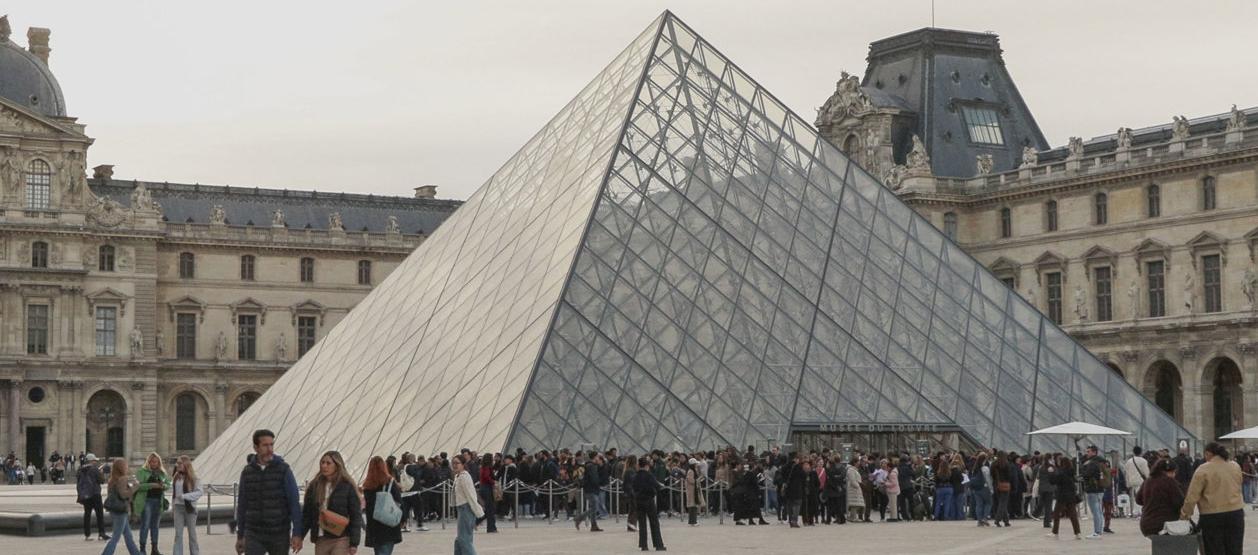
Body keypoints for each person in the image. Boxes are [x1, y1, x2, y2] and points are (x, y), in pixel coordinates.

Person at [236, 429, 304, 555]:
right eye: (265, 445)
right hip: (253, 533)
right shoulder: (247, 472)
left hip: (279, 533)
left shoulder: (284, 470)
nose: (270, 449)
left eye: (271, 444)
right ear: (256, 447)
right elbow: (242, 505)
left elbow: (294, 502)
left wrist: (297, 533)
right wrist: (240, 535)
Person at [1181, 442, 1244, 555]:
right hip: (1236, 513)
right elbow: (1239, 484)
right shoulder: (1235, 466)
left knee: (1214, 550)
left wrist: (1185, 516)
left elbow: (1192, 496)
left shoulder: (1203, 469)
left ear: (1208, 453)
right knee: (1235, 549)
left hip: (1212, 516)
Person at [301, 451, 362, 555]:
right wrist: (300, 536)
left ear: (337, 466)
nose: (324, 466)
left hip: (341, 538)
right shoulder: (314, 486)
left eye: (328, 463)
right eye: (322, 462)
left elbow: (355, 515)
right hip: (321, 538)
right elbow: (307, 514)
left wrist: (354, 543)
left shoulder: (347, 486)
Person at [362, 456, 403, 555]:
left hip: (374, 525)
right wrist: (402, 519)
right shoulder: (390, 482)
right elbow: (398, 501)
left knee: (379, 551)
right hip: (388, 523)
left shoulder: (367, 485)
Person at [101, 458, 142, 555]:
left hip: (115, 509)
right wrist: (135, 487)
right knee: (116, 537)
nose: (127, 467)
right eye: (125, 465)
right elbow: (124, 495)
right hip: (121, 510)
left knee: (128, 537)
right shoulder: (123, 479)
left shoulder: (112, 480)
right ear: (122, 467)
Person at [134, 452, 171, 555]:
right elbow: (138, 487)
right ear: (148, 462)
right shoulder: (141, 472)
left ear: (159, 462)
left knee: (155, 526)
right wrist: (152, 485)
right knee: (145, 525)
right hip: (146, 501)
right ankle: (142, 550)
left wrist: (163, 486)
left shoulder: (162, 473)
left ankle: (154, 549)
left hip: (158, 501)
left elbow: (168, 484)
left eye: (156, 462)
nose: (154, 463)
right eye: (152, 462)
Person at [1136, 458, 1183, 537]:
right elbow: (1179, 503)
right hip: (1165, 525)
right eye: (1172, 472)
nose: (1174, 475)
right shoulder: (1170, 482)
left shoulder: (1147, 481)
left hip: (1146, 524)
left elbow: (1138, 500)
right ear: (1165, 472)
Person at [631, 458, 666, 552]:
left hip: (639, 500)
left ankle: (643, 545)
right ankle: (658, 544)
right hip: (649, 500)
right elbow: (656, 486)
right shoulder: (649, 475)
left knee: (642, 523)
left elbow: (633, 487)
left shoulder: (635, 476)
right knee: (654, 522)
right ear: (646, 466)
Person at [171, 456, 203, 555]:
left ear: (186, 464)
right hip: (178, 507)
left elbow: (199, 492)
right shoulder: (176, 477)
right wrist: (173, 506)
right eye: (177, 463)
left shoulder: (194, 478)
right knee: (178, 534)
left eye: (180, 463)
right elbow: (174, 494)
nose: (177, 465)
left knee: (192, 534)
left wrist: (185, 496)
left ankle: (195, 553)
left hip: (190, 508)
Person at [451, 456, 483, 555]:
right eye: (453, 463)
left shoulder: (464, 477)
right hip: (462, 509)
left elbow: (471, 496)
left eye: (457, 463)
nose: (454, 465)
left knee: (464, 540)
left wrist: (479, 513)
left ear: (463, 465)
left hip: (466, 508)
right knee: (460, 540)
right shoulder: (458, 476)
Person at [77, 453, 109, 541]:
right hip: (95, 493)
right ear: (91, 461)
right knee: (99, 514)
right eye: (94, 460)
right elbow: (101, 481)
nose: (95, 462)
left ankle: (87, 534)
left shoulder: (80, 469)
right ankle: (101, 533)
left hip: (86, 494)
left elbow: (79, 483)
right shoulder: (95, 469)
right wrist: (101, 473)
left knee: (87, 514)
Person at [1048, 456, 1082, 540]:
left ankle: (1055, 532)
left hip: (1062, 496)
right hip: (1071, 496)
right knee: (1073, 515)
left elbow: (1053, 481)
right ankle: (1077, 533)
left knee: (1056, 514)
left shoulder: (1061, 472)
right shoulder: (1071, 472)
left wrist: (1051, 473)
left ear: (1062, 463)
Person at [1079, 445, 1107, 539]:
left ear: (1094, 452)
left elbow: (1086, 474)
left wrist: (1082, 466)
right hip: (1100, 488)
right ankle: (1100, 530)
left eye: (1088, 451)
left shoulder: (1093, 463)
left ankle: (1097, 532)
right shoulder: (1102, 461)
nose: (1087, 453)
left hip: (1093, 489)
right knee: (1099, 510)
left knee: (1095, 512)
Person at [574, 453, 607, 532]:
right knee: (594, 508)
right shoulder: (592, 466)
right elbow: (594, 478)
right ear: (595, 457)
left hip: (589, 489)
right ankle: (579, 518)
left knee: (594, 507)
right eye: (598, 457)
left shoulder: (589, 465)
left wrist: (601, 465)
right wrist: (599, 484)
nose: (599, 458)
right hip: (591, 489)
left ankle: (593, 525)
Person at [1123, 446, 1150, 518]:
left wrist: (1127, 483)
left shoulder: (1129, 461)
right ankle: (1139, 512)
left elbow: (1126, 473)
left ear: (1133, 452)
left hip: (1131, 481)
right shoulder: (1143, 461)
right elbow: (1146, 472)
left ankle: (1134, 511)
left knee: (1133, 497)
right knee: (1140, 497)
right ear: (1141, 452)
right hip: (1140, 482)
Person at [475, 453, 497, 533]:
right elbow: (486, 477)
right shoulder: (487, 467)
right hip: (487, 488)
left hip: (483, 487)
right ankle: (490, 527)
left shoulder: (482, 467)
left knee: (488, 508)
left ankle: (490, 526)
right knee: (490, 509)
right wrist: (493, 482)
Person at [990, 451, 1012, 527]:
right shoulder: (1006, 464)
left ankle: (1006, 521)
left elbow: (992, 474)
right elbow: (1009, 476)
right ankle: (997, 519)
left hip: (996, 485)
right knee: (1003, 503)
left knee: (1001, 503)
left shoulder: (994, 464)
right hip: (1005, 485)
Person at [969, 452, 992, 527]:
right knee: (988, 503)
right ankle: (985, 518)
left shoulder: (974, 468)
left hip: (976, 488)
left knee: (979, 505)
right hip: (984, 488)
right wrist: (991, 488)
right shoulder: (985, 468)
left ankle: (979, 521)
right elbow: (988, 479)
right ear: (984, 460)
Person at [683, 458, 705, 526]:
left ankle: (693, 521)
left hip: (693, 491)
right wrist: (698, 479)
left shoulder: (692, 471)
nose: (696, 465)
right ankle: (693, 522)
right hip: (692, 491)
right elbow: (691, 480)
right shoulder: (691, 471)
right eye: (695, 464)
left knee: (694, 506)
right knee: (693, 507)